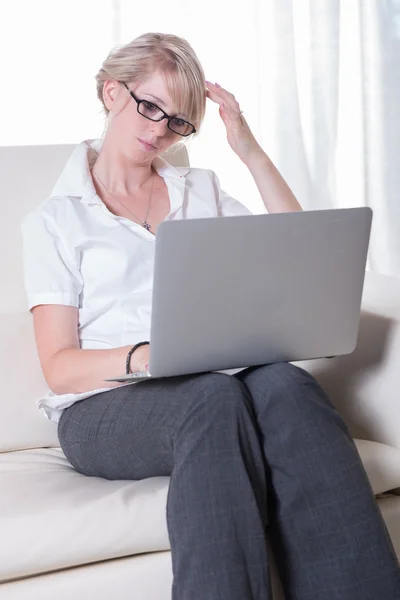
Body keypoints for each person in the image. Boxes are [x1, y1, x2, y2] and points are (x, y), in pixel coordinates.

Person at [21, 32, 400, 600]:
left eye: (177, 122)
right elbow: (59, 366)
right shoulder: (55, 220)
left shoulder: (202, 189)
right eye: (149, 106)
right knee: (212, 399)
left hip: (211, 381)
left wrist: (249, 150)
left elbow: (295, 249)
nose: (158, 130)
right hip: (102, 408)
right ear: (111, 93)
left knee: (288, 385)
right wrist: (149, 358)